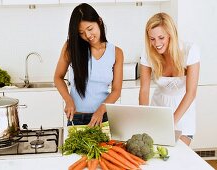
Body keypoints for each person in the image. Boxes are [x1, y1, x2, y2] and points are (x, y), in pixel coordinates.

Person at [54, 3, 124, 127]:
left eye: (90, 29)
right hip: (77, 117)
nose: (87, 36)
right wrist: (69, 100)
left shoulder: (116, 53)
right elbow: (58, 77)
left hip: (103, 117)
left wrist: (100, 110)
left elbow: (116, 91)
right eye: (81, 33)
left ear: (99, 21)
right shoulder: (71, 47)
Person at [139, 12, 200, 146]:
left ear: (171, 35)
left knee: (179, 155)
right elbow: (144, 90)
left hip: (183, 112)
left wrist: (171, 122)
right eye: (152, 39)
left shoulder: (190, 51)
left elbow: (191, 93)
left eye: (161, 37)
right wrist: (144, 118)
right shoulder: (148, 52)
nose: (156, 43)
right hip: (158, 109)